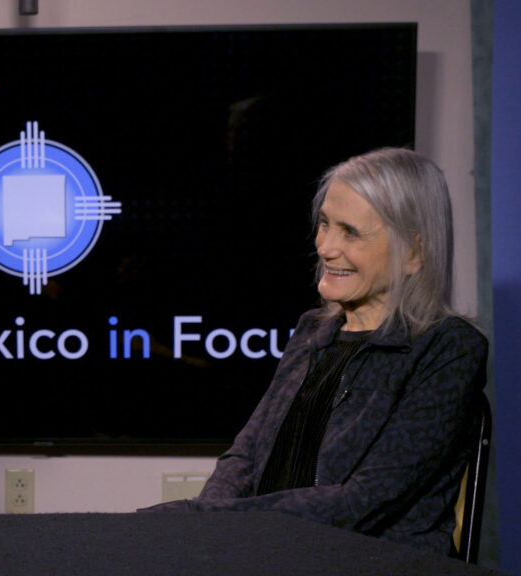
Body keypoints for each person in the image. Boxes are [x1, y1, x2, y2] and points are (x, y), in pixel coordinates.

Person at [141, 147, 488, 556]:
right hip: (273, 551)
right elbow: (246, 455)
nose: (325, 247)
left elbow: (364, 500)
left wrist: (218, 521)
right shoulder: (313, 329)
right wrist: (213, 528)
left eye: (350, 232)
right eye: (324, 224)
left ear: (413, 254)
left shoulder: (448, 349)